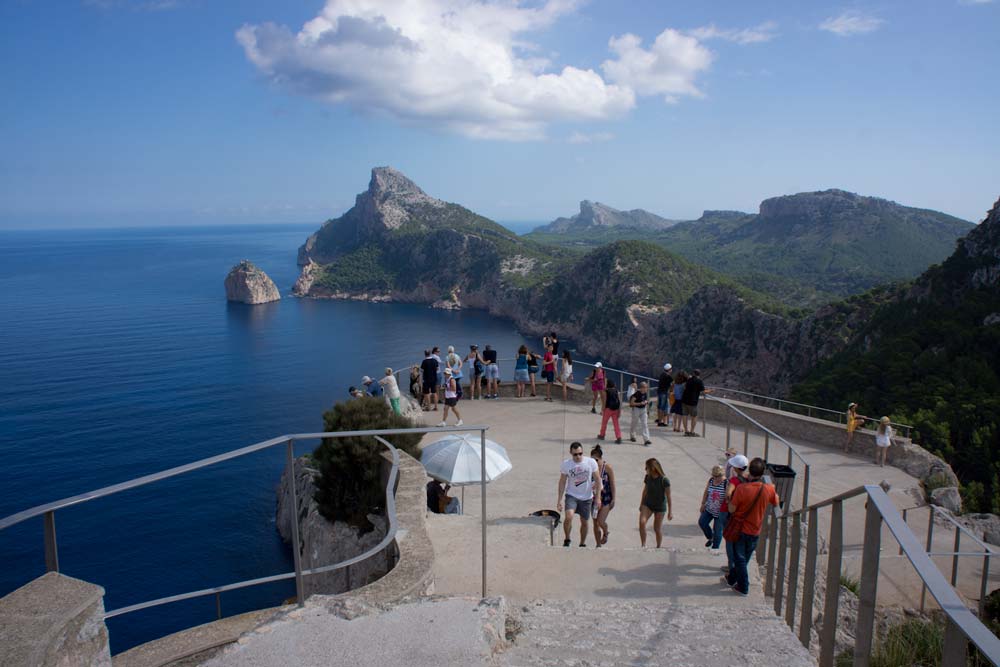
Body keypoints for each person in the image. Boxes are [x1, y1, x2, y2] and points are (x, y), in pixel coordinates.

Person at [724, 457, 780, 596]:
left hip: (741, 528)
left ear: (750, 471)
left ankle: (743, 586)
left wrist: (730, 498)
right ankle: (731, 579)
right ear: (762, 473)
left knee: (740, 558)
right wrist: (772, 489)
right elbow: (776, 502)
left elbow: (731, 509)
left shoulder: (742, 489)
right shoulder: (768, 489)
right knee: (745, 557)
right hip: (755, 530)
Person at [556, 442, 602, 548]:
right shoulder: (566, 464)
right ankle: (567, 539)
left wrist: (598, 498)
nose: (578, 456)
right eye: (575, 454)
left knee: (585, 522)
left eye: (580, 454)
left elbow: (598, 480)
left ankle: (582, 543)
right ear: (571, 453)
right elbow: (562, 482)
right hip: (571, 495)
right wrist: (559, 500)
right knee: (569, 516)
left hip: (587, 497)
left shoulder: (591, 463)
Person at [720, 454, 749, 574]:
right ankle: (738, 564)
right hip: (742, 513)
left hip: (728, 511)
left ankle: (731, 565)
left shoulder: (734, 480)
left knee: (729, 538)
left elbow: (728, 493)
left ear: (736, 468)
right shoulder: (748, 480)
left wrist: (729, 500)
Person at [639, 458, 672, 548]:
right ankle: (643, 545)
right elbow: (645, 491)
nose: (645, 469)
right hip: (648, 504)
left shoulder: (664, 480)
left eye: (647, 468)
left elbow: (668, 497)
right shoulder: (647, 477)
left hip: (660, 507)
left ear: (653, 469)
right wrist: (641, 504)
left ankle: (658, 547)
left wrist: (670, 512)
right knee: (642, 522)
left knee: (656, 528)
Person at [591, 445, 616, 547]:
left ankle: (605, 532)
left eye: (596, 460)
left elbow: (612, 483)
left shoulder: (608, 468)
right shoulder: (590, 468)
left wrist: (614, 498)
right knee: (595, 523)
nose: (594, 462)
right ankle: (598, 544)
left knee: (601, 521)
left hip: (606, 499)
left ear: (601, 458)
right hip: (593, 500)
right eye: (592, 460)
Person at [699, 465, 727, 549]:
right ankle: (710, 538)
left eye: (718, 476)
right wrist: (703, 504)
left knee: (718, 531)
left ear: (722, 475)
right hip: (709, 508)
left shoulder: (726, 483)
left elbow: (729, 497)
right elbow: (706, 492)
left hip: (720, 512)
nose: (716, 478)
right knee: (702, 522)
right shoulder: (711, 480)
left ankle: (715, 548)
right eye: (714, 476)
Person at [681, 369, 711, 436]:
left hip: (684, 400)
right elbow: (703, 392)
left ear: (693, 373)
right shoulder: (699, 381)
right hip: (692, 401)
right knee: (694, 417)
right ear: (699, 374)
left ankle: (686, 431)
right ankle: (692, 432)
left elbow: (685, 387)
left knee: (685, 416)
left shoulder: (689, 380)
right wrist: (710, 391)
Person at [597, 379, 623, 445]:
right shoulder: (617, 391)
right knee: (616, 424)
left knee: (604, 423)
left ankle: (602, 435)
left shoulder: (606, 391)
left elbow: (604, 401)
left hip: (608, 409)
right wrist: (619, 411)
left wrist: (602, 410)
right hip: (616, 409)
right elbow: (619, 401)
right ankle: (619, 437)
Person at [629, 381, 652, 446]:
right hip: (636, 409)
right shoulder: (637, 394)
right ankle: (632, 435)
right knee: (634, 423)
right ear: (641, 388)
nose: (646, 389)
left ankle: (646, 439)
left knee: (645, 424)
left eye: (646, 387)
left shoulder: (645, 393)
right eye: (645, 387)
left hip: (643, 410)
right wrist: (640, 403)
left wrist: (646, 402)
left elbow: (645, 400)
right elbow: (631, 403)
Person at [656, 363, 673, 427]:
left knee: (660, 407)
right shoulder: (668, 377)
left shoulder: (662, 374)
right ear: (669, 370)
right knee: (663, 408)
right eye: (671, 369)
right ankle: (660, 422)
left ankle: (659, 420)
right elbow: (672, 383)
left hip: (659, 392)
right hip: (664, 393)